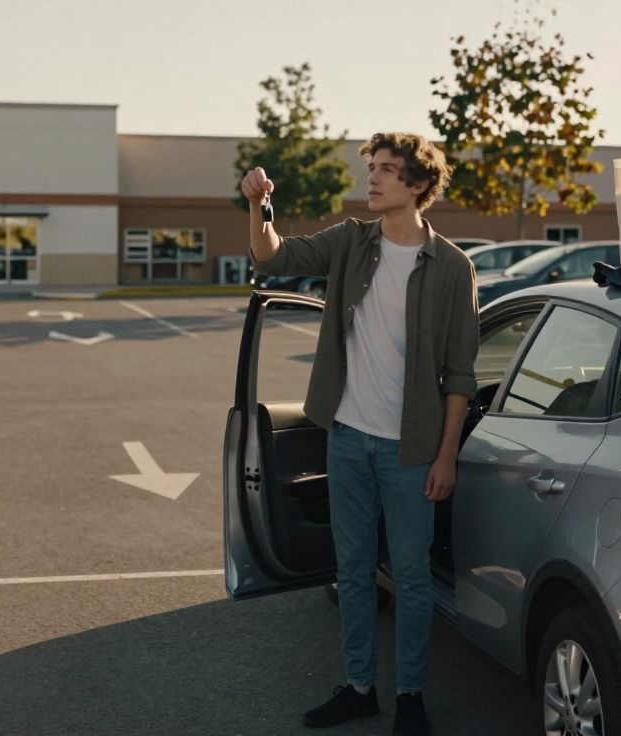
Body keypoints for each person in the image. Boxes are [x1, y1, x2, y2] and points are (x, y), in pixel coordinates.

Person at [241, 132, 479, 736]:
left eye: (386, 171)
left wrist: (446, 457)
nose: (371, 179)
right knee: (351, 571)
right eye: (370, 168)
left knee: (413, 576)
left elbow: (461, 376)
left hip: (411, 449)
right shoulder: (350, 241)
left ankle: (411, 697)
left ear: (419, 185)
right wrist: (257, 205)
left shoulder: (452, 267)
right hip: (346, 436)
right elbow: (273, 257)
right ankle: (357, 686)